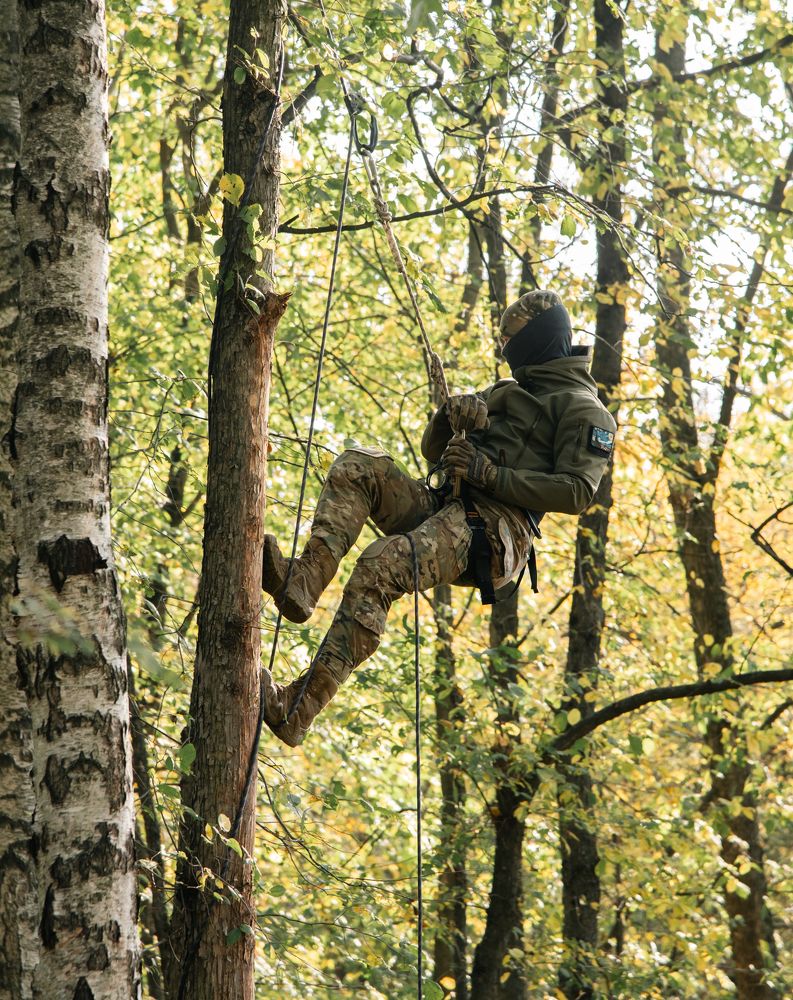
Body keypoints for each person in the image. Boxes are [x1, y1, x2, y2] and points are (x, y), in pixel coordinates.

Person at [261, 290, 617, 746]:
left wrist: (489, 473)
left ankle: (298, 709)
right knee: (359, 467)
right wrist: (450, 416)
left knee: (381, 565)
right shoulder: (507, 391)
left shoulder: (584, 410)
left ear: (540, 339)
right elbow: (434, 451)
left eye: (513, 339)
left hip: (495, 532)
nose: (506, 347)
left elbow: (576, 492)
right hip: (448, 507)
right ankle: (303, 581)